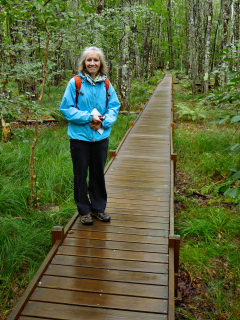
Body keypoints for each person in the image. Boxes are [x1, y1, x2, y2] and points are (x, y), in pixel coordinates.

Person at [60, 46, 120, 225]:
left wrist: (103, 121)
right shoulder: (75, 83)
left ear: (100, 63)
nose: (92, 63)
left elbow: (114, 107)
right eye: (89, 60)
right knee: (80, 174)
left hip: (100, 137)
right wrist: (88, 117)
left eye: (96, 60)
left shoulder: (107, 83)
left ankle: (98, 209)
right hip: (79, 138)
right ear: (84, 63)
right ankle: (84, 211)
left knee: (97, 174)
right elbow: (66, 109)